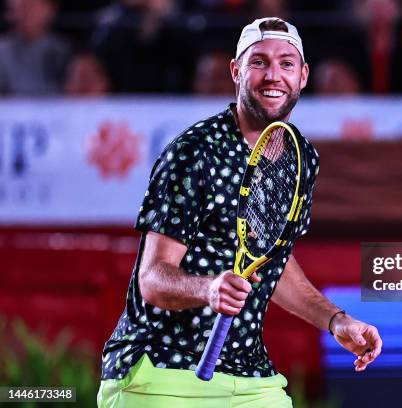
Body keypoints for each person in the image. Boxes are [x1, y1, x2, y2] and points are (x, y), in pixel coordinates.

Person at [97, 17, 383, 407]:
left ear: (303, 76)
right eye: (260, 62)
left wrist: (336, 320)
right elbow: (152, 279)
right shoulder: (194, 151)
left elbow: (272, 262)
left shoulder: (300, 160)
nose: (274, 75)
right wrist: (209, 288)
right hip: (160, 371)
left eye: (286, 63)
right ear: (236, 71)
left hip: (250, 378)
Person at [0, 0, 72, 95]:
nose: (25, 13)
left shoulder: (65, 50)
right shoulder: (3, 50)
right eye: (19, 7)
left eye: (31, 6)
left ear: (50, 10)